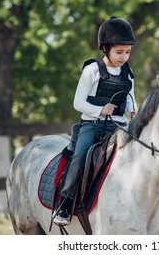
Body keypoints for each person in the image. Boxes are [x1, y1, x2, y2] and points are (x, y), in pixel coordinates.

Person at [54, 17, 139, 225]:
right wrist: (100, 110)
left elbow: (129, 100)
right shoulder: (92, 70)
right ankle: (64, 203)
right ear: (105, 48)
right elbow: (78, 103)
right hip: (91, 126)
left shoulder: (128, 74)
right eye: (119, 52)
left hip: (118, 126)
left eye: (127, 52)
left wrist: (133, 110)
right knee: (81, 155)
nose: (124, 57)